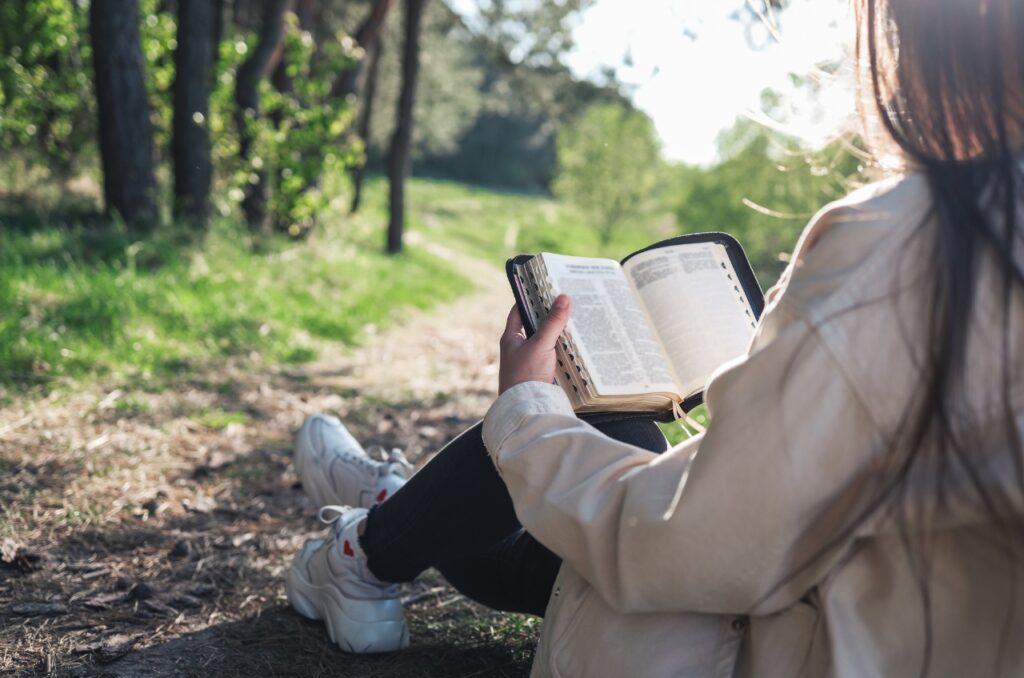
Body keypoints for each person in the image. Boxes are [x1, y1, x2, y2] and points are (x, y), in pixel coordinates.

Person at [285, 0, 1024, 675]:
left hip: (778, 629)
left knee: (588, 425)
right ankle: (391, 508)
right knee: (620, 435)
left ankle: (368, 541)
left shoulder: (913, 240)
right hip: (847, 601)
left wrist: (526, 411)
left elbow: (696, 546)